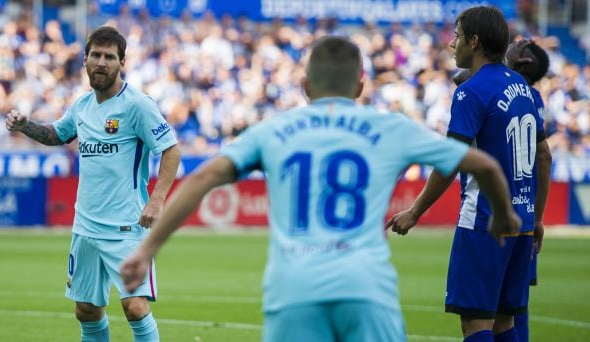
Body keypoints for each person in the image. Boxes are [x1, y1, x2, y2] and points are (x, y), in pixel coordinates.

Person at [121, 36, 521, 342]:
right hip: (367, 289)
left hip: (293, 291)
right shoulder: (391, 129)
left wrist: (146, 250)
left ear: (305, 86)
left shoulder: (275, 130)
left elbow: (204, 178)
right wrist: (504, 214)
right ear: (361, 87)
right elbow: (483, 164)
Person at [386, 6, 553, 342]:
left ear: (474, 41)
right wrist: (536, 217)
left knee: (476, 324)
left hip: (485, 222)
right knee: (505, 321)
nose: (452, 44)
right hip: (521, 220)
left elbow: (451, 159)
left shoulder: (470, 91)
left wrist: (415, 211)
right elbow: (543, 153)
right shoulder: (522, 87)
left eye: (458, 36)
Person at [6, 26, 181, 342]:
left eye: (109, 57)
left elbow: (171, 149)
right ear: (85, 60)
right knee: (86, 310)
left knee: (136, 307)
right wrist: (24, 126)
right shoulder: (82, 106)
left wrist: (156, 201)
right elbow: (56, 135)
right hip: (85, 228)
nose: (101, 62)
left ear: (121, 62)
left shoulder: (138, 105)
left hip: (127, 227)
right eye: (96, 55)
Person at [505, 38, 552, 342]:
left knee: (510, 306)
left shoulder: (520, 97)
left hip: (509, 208)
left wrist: (538, 218)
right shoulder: (533, 97)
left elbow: (545, 156)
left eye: (518, 45)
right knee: (515, 302)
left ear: (524, 63)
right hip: (523, 207)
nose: (510, 44)